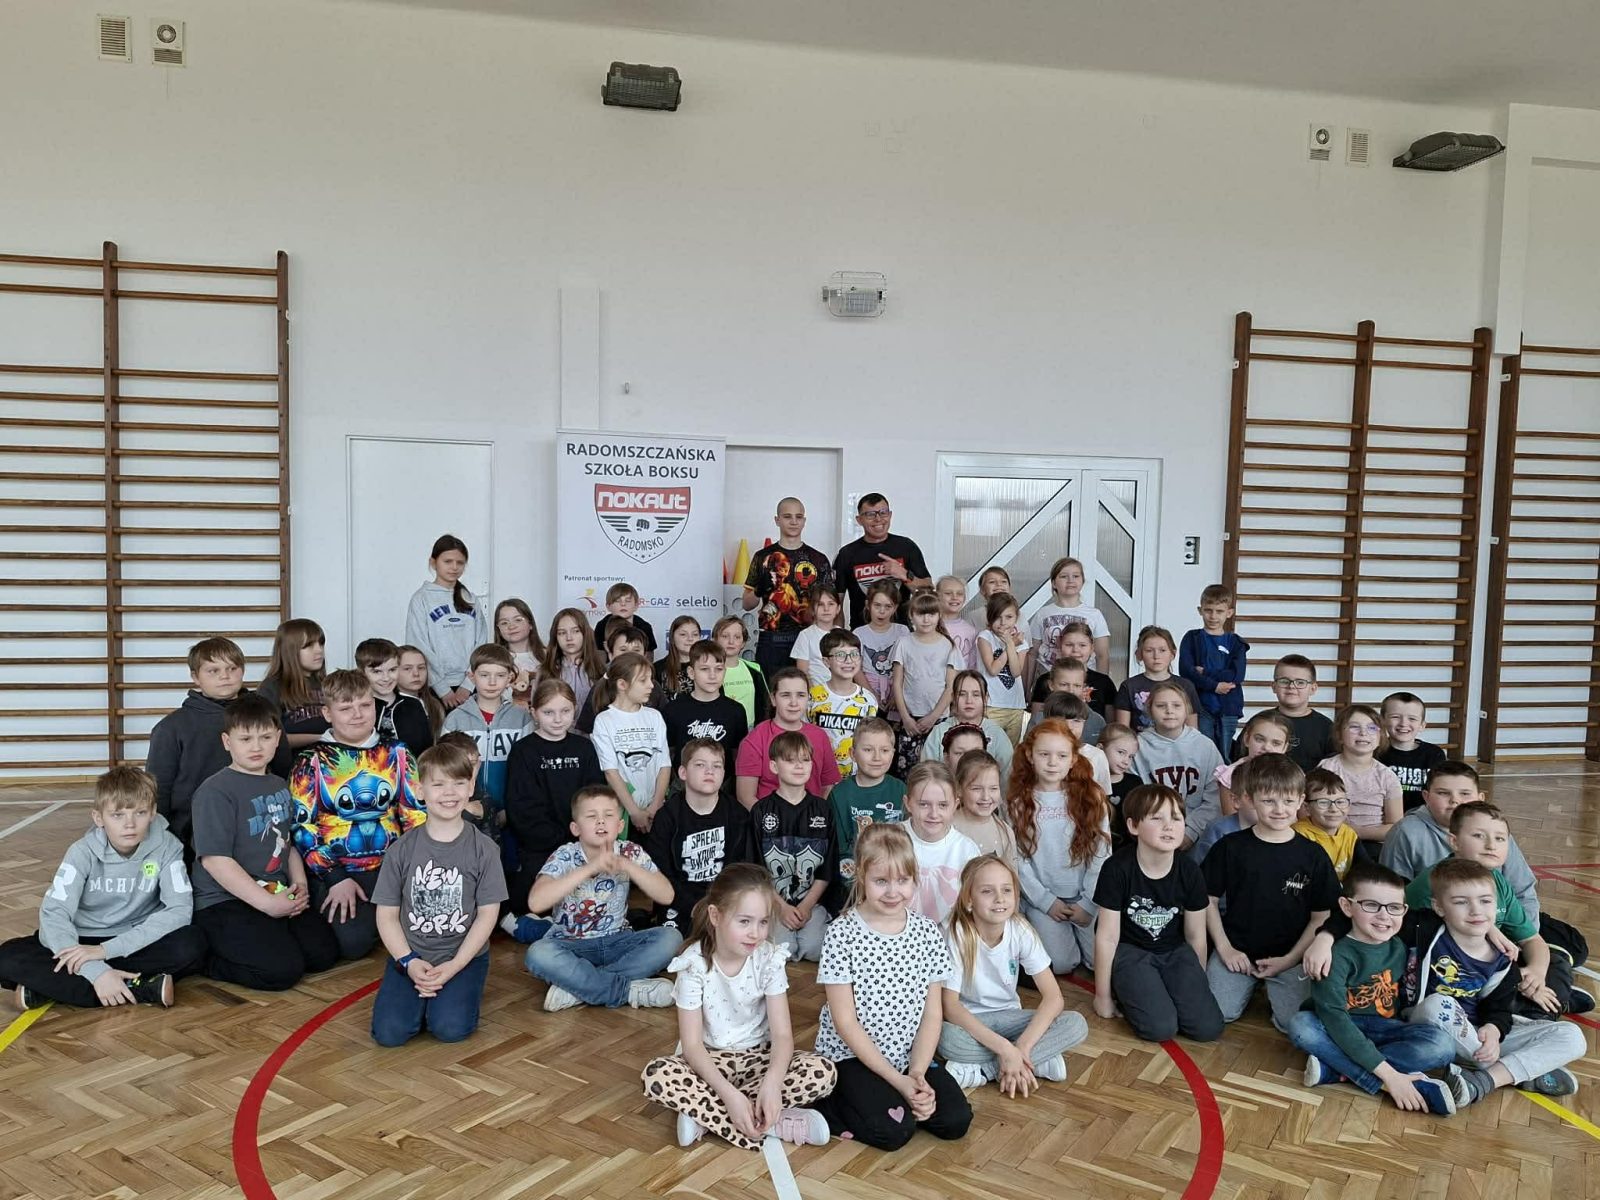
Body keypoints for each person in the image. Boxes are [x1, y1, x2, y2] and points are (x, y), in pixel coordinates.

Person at [1308, 859, 1585, 1107]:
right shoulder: (1422, 928)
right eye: (1461, 902)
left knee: (1571, 1036)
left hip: (1475, 1037)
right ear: (1439, 907)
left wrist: (1494, 1029)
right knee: (1439, 1004)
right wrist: (1325, 937)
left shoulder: (1504, 959)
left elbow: (1498, 1008)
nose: (1476, 910)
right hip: (1427, 1024)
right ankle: (1520, 1070)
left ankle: (1486, 1080)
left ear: (1496, 905)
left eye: (1485, 901)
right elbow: (1364, 915)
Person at [641, 864, 837, 1149]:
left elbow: (783, 1036)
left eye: (763, 922)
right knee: (657, 1074)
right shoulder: (693, 965)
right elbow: (692, 1046)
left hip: (759, 1059)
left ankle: (708, 1116)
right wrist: (730, 1096)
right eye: (744, 921)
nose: (755, 933)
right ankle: (770, 1123)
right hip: (710, 1064)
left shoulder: (769, 958)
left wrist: (772, 1084)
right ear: (715, 916)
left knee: (823, 1071)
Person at [810, 823, 973, 1148]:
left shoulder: (927, 933)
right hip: (852, 1056)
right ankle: (825, 1104)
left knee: (956, 1120)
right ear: (861, 877)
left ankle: (894, 1097)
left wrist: (917, 1074)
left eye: (902, 880)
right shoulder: (841, 933)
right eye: (881, 881)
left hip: (907, 1055)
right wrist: (897, 1081)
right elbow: (845, 1023)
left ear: (915, 878)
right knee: (895, 1131)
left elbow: (932, 1014)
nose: (892, 892)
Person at [0, 767, 205, 1011]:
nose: (129, 824)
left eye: (139, 813)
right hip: (81, 941)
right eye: (117, 815)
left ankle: (55, 987)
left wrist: (104, 951)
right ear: (99, 818)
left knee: (192, 944)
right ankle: (137, 988)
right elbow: (54, 915)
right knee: (7, 957)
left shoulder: (168, 847)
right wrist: (95, 970)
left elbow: (179, 910)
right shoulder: (81, 852)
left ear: (152, 813)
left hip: (135, 939)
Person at [190, 695, 339, 990]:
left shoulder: (278, 784)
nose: (256, 747)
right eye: (245, 739)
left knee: (323, 954)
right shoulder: (215, 791)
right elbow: (216, 861)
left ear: (278, 739)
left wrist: (300, 885)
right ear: (227, 742)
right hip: (225, 900)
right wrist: (268, 905)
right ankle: (205, 958)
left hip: (273, 888)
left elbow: (287, 843)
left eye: (265, 737)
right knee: (281, 972)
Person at [1286, 863, 1458, 1114]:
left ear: (1404, 909)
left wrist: (1493, 932)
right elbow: (1335, 1018)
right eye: (1371, 905)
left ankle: (1336, 1069)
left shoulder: (1402, 941)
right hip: (1338, 1025)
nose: (1384, 916)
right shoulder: (1335, 954)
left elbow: (1459, 919)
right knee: (1301, 1026)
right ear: (1347, 907)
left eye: (1394, 907)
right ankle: (1383, 1082)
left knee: (1443, 1045)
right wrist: (1391, 1077)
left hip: (1386, 1027)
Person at [371, 741, 507, 1046]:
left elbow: (487, 916)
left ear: (470, 787)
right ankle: (419, 997)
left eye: (458, 783)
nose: (449, 793)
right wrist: (408, 961)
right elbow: (387, 915)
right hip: (410, 956)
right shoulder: (401, 850)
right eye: (438, 784)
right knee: (389, 1034)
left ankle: (445, 998)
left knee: (450, 1029)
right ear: (420, 791)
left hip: (463, 958)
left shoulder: (485, 850)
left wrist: (455, 966)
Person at [1402, 801, 1585, 1016]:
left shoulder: (1497, 880)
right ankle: (1545, 1005)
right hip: (1456, 971)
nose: (1491, 845)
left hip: (1493, 963)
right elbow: (1446, 949)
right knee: (1525, 986)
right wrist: (1511, 972)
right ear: (1454, 841)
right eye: (1478, 836)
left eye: (1500, 838)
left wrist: (1535, 973)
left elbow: (1532, 939)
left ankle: (1544, 1000)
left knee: (1554, 960)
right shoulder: (1436, 882)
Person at [290, 669, 425, 960]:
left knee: (429, 930)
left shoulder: (398, 752)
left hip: (393, 868)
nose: (357, 714)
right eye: (345, 708)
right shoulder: (311, 760)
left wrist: (413, 867)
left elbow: (415, 815)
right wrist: (334, 877)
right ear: (327, 713)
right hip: (340, 870)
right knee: (353, 944)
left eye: (365, 705)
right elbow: (303, 827)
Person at [1203, 753, 1339, 1033]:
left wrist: (1289, 960)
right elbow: (1208, 900)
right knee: (1218, 1013)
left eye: (1288, 801)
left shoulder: (1313, 855)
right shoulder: (1230, 847)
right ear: (1251, 799)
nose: (1279, 809)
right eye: (1268, 801)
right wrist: (1225, 948)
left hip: (1291, 955)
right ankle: (1250, 984)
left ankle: (1272, 984)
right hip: (1238, 949)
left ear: (1301, 802)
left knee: (1292, 1024)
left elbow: (1321, 916)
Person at [524, 786, 680, 1010]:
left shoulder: (630, 851)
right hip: (571, 946)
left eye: (608, 815)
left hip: (618, 942)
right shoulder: (565, 855)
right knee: (538, 953)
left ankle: (581, 988)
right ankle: (626, 991)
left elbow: (666, 895)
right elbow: (536, 902)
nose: (600, 821)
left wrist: (626, 865)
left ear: (620, 826)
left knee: (671, 938)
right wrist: (590, 868)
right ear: (575, 828)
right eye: (591, 816)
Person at [940, 855, 1086, 1091]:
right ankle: (1036, 1062)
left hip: (1010, 1017)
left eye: (1006, 890)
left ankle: (988, 1069)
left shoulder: (1021, 930)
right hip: (971, 1022)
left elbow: (1054, 998)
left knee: (1076, 1023)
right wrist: (1006, 1049)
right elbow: (951, 1007)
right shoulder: (955, 933)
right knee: (946, 1037)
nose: (1000, 898)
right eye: (987, 891)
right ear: (968, 900)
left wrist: (1021, 1048)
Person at [1091, 783, 1222, 1043]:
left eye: (1176, 818)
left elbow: (1196, 935)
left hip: (1174, 952)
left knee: (1207, 1028)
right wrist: (1102, 996)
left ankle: (1159, 990)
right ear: (1133, 826)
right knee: (1160, 1028)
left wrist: (1196, 984)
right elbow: (1107, 937)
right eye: (1157, 818)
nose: (1169, 826)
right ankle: (1126, 988)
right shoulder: (1116, 868)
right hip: (1132, 952)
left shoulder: (1190, 871)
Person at [1380, 762, 1542, 925]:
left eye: (1465, 793)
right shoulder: (1405, 832)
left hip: (1501, 921)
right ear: (1426, 797)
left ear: (1481, 798)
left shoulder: (1495, 832)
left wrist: (1528, 934)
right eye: (1443, 793)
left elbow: (1523, 892)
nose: (1455, 801)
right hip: (1438, 925)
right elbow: (1392, 895)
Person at [501, 678, 605, 934]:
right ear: (534, 712)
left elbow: (596, 797)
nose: (558, 719)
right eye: (548, 712)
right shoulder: (523, 751)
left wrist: (582, 839)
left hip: (582, 845)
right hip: (539, 848)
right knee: (531, 901)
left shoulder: (584, 747)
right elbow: (522, 808)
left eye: (565, 711)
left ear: (574, 710)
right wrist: (560, 843)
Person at [1011, 719, 1112, 974]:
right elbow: (1017, 859)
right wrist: (1046, 901)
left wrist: (1088, 904)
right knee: (1061, 964)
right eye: (1044, 754)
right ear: (1030, 756)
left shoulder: (1091, 797)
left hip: (1088, 896)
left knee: (1101, 962)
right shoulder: (1017, 801)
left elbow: (1102, 853)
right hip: (1044, 900)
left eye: (1062, 755)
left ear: (1073, 759)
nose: (1052, 762)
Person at [146, 636, 250, 851]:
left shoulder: (263, 716)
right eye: (213, 670)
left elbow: (280, 769)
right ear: (195, 677)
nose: (225, 676)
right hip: (191, 835)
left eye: (232, 668)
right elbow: (158, 789)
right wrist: (161, 841)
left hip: (253, 826)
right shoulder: (171, 728)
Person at [647, 740, 759, 935]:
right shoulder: (667, 816)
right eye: (700, 765)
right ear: (683, 773)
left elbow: (742, 869)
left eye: (717, 766)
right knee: (671, 942)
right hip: (678, 900)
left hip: (725, 900)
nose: (710, 771)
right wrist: (693, 906)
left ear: (724, 773)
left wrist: (720, 904)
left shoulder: (737, 815)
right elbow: (659, 872)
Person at [751, 732, 840, 961]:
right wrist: (781, 907)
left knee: (814, 949)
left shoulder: (823, 809)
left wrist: (807, 906)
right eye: (790, 760)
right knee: (784, 950)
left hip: (813, 902)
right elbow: (756, 870)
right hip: (773, 901)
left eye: (805, 760)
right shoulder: (761, 811)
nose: (799, 766)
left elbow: (827, 869)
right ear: (774, 766)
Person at [742, 497, 837, 679]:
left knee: (811, 691)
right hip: (772, 639)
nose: (794, 521)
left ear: (804, 520)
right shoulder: (762, 557)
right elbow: (747, 604)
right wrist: (759, 589)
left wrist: (834, 635)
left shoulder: (818, 559)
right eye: (787, 516)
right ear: (777, 520)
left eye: (798, 517)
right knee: (772, 693)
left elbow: (832, 603)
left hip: (811, 637)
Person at [440, 643, 531, 816]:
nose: (492, 682)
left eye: (500, 675)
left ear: (510, 678)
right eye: (484, 675)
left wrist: (511, 809)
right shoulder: (455, 719)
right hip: (467, 812)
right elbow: (444, 769)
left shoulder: (522, 719)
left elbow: (527, 773)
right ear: (472, 677)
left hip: (511, 811)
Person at [405, 534, 492, 710]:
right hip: (435, 688)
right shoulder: (421, 599)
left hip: (471, 685)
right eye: (448, 561)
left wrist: (468, 685)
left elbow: (481, 644)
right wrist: (442, 689)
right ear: (433, 562)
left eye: (460, 563)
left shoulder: (470, 598)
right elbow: (418, 645)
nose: (454, 567)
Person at [1132, 681, 1223, 848]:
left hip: (1197, 836)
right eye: (1161, 706)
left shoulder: (1205, 746)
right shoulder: (1138, 747)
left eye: (1176, 705)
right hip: (1151, 835)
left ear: (1187, 709)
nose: (1169, 711)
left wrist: (1190, 832)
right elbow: (1133, 797)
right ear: (1149, 710)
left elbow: (1215, 798)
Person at [591, 652, 672, 835]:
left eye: (650, 679)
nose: (651, 685)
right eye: (643, 680)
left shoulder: (654, 716)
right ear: (622, 684)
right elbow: (611, 772)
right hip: (623, 812)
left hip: (655, 808)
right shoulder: (605, 720)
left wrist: (655, 806)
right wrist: (634, 811)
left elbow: (664, 764)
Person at [734, 667, 840, 808]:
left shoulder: (820, 736)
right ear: (773, 699)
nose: (793, 703)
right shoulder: (755, 739)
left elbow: (828, 786)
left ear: (808, 698)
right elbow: (745, 796)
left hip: (812, 817)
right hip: (768, 817)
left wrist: (818, 815)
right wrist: (771, 819)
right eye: (785, 695)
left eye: (800, 695)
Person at [827, 717, 905, 888]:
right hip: (854, 881)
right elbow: (839, 850)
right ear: (852, 754)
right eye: (868, 750)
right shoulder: (839, 794)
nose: (877, 757)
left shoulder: (901, 790)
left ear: (893, 753)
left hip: (895, 879)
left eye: (884, 750)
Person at [832, 493, 932, 626]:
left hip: (901, 632)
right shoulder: (846, 554)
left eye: (883, 513)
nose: (878, 519)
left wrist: (904, 575)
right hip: (861, 632)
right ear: (859, 520)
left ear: (890, 515)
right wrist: (838, 634)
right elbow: (836, 604)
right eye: (870, 514)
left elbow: (928, 592)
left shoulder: (907, 547)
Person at [892, 591, 963, 774]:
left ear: (939, 615)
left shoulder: (948, 645)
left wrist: (933, 717)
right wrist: (905, 718)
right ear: (911, 615)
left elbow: (951, 687)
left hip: (939, 719)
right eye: (920, 614)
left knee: (938, 770)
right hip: (910, 719)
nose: (926, 619)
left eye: (931, 614)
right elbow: (897, 683)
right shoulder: (903, 643)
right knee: (908, 772)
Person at [903, 762, 981, 924]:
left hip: (949, 936)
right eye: (924, 804)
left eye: (943, 805)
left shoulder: (967, 850)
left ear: (955, 805)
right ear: (908, 803)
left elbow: (974, 906)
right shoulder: (890, 840)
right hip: (896, 934)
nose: (934, 814)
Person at [1179, 584, 1249, 760]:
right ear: (1200, 610)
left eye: (1219, 611)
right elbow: (1186, 672)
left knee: (1225, 755)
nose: (1213, 616)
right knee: (1202, 753)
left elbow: (1237, 675)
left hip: (1229, 707)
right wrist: (1214, 686)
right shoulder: (1192, 638)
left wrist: (1206, 671)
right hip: (1200, 706)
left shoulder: (1236, 642)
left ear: (1229, 613)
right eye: (1208, 610)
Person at [662, 640, 749, 775]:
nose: (712, 675)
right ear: (691, 672)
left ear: (725, 671)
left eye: (718, 669)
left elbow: (737, 754)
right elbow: (668, 753)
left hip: (724, 782)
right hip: (683, 782)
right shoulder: (673, 710)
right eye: (704, 669)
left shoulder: (736, 711)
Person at [1318, 704, 1402, 844]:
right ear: (1339, 735)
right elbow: (1312, 813)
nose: (1363, 733)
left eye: (1372, 728)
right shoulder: (1327, 768)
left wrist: (1355, 832)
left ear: (1381, 736)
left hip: (1374, 842)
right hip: (1332, 839)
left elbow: (1396, 827)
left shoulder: (1387, 776)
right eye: (1354, 727)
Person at [1024, 557, 1112, 686]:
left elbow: (1102, 655)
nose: (1070, 580)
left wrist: (1102, 688)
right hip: (1049, 679)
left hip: (1082, 682)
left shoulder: (1094, 615)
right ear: (1054, 583)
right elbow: (1032, 654)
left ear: (1082, 581)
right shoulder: (1042, 614)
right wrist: (1026, 689)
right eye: (1064, 576)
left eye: (1076, 576)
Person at [258, 617, 329, 775]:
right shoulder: (272, 687)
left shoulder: (328, 683)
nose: (318, 650)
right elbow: (267, 737)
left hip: (330, 770)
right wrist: (321, 738)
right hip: (292, 774)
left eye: (321, 643)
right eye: (308, 646)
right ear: (290, 650)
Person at [808, 629, 879, 781]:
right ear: (826, 661)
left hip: (855, 779)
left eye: (854, 654)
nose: (849, 660)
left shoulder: (868, 700)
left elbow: (870, 741)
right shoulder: (813, 697)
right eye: (840, 655)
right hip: (818, 776)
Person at [920, 670, 1014, 778]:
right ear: (953, 698)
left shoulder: (996, 734)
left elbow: (1008, 777)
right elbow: (927, 773)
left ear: (985, 698)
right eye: (962, 694)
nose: (969, 701)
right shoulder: (939, 732)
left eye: (976, 695)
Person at [1249, 654, 1334, 774]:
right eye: (1284, 681)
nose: (1291, 687)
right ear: (1274, 686)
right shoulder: (1260, 721)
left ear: (1313, 688)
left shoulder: (1326, 727)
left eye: (1300, 682)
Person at [1113, 626, 1199, 733]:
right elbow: (1122, 732)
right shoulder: (1129, 686)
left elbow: (1192, 730)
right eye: (1149, 651)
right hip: (1140, 742)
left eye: (1162, 650)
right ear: (1139, 654)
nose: (1156, 656)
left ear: (1172, 654)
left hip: (1176, 742)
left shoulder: (1186, 686)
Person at [358, 637, 434, 758]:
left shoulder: (414, 705)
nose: (386, 678)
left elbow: (427, 751)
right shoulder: (357, 709)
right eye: (377, 672)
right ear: (362, 673)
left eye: (392, 670)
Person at [1030, 621, 1116, 720]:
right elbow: (1037, 721)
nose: (1075, 650)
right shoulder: (1044, 680)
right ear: (1060, 645)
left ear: (1092, 648)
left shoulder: (1104, 682)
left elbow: (1110, 723)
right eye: (1069, 645)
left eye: (1082, 645)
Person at [976, 592, 1029, 745]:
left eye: (1009, 617)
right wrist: (1010, 644)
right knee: (989, 747)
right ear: (989, 617)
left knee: (1010, 750)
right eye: (997, 617)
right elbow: (993, 669)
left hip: (1015, 706)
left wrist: (1011, 643)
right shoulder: (985, 637)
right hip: (992, 705)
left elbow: (1016, 672)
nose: (1003, 622)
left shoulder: (1021, 642)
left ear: (1016, 617)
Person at [1378, 692, 1446, 812]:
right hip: (1383, 815)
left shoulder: (1434, 754)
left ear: (1422, 725)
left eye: (1412, 719)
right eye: (1395, 717)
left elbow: (1441, 790)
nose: (1403, 723)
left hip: (1422, 816)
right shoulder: (1375, 752)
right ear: (1382, 721)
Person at [1216, 709, 1293, 816]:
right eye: (1259, 739)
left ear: (1285, 747)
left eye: (1276, 743)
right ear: (1247, 739)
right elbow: (1230, 818)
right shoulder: (1230, 775)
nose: (1266, 747)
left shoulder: (1292, 775)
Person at [1294, 768, 1361, 881]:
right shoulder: (1298, 835)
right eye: (1323, 803)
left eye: (1340, 802)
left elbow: (1365, 869)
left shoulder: (1349, 835)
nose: (1334, 809)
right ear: (1306, 807)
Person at [852, 579, 907, 711]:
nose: (882, 611)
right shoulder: (858, 633)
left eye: (888, 606)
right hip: (867, 691)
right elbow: (856, 669)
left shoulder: (902, 631)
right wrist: (872, 695)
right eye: (877, 605)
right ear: (868, 605)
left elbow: (907, 665)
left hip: (897, 690)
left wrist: (897, 695)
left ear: (895, 608)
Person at [952, 750, 1015, 862]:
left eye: (993, 788)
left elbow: (1011, 870)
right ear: (959, 789)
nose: (986, 797)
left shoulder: (1004, 831)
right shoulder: (948, 827)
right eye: (976, 788)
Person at [542, 607, 605, 717]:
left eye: (576, 631)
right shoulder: (545, 671)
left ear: (585, 633)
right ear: (555, 637)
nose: (569, 638)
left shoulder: (600, 670)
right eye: (562, 633)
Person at [713, 616, 771, 727]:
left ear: (743, 643)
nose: (731, 641)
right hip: (720, 729)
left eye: (737, 637)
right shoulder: (709, 672)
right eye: (725, 636)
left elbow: (766, 704)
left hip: (752, 730)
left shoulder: (755, 669)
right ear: (715, 640)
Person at [493, 598, 545, 708]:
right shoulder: (493, 660)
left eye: (518, 620)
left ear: (530, 624)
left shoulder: (549, 656)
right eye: (504, 623)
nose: (511, 626)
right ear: (498, 629)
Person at [791, 583, 845, 689]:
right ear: (813, 609)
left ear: (838, 609)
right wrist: (815, 694)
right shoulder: (805, 636)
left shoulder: (843, 634)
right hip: (817, 692)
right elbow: (803, 672)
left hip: (841, 691)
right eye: (820, 604)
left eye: (831, 604)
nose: (826, 609)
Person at [1100, 723, 1143, 849]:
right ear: (1100, 749)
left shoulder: (1135, 783)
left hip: (1127, 850)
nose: (1126, 761)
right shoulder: (1088, 782)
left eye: (1131, 756)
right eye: (1121, 752)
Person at [593, 581, 658, 656]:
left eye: (628, 601)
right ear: (608, 606)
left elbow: (649, 654)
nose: (623, 604)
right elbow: (600, 654)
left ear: (636, 605)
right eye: (617, 601)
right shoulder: (602, 626)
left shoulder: (644, 626)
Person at [397, 644, 446, 736]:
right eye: (407, 669)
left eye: (421, 668)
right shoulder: (390, 707)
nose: (416, 674)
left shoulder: (435, 705)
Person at [935, 575, 979, 670]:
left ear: (964, 598)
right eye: (948, 593)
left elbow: (973, 666)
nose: (954, 597)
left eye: (959, 594)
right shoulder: (930, 627)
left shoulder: (971, 631)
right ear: (937, 597)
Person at [655, 615, 703, 700]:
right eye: (683, 634)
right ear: (672, 638)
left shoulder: (707, 667)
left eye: (695, 634)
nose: (690, 639)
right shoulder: (657, 668)